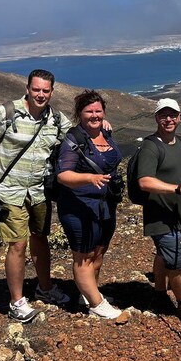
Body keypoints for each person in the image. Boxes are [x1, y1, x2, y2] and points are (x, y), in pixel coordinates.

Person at [0, 69, 72, 322]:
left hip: (38, 191)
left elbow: (76, 137)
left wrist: (101, 124)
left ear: (52, 92)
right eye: (36, 89)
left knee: (40, 238)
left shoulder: (55, 119)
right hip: (9, 191)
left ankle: (44, 289)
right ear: (27, 88)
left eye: (45, 90)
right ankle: (16, 302)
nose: (40, 94)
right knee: (18, 244)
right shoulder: (7, 113)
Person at [136, 98, 181, 325]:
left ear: (179, 117)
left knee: (165, 255)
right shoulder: (150, 146)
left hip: (179, 213)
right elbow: (144, 181)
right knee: (177, 261)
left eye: (172, 115)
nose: (168, 119)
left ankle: (158, 294)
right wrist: (176, 189)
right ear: (156, 117)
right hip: (160, 215)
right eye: (163, 115)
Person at [56, 90, 123, 319]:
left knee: (99, 252)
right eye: (89, 111)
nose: (94, 115)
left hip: (106, 204)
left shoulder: (105, 131)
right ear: (79, 114)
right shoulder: (74, 140)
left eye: (98, 110)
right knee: (83, 256)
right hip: (79, 205)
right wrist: (89, 178)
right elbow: (63, 175)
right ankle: (97, 304)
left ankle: (88, 293)